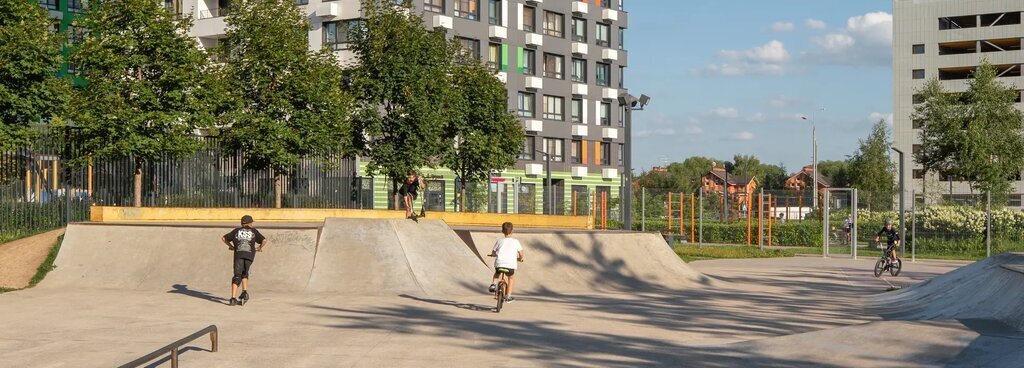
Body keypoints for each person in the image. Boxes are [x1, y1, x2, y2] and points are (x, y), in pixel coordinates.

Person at [222, 215, 268, 306]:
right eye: (252, 223)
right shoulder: (254, 231)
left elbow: (223, 238)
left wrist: (231, 246)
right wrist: (259, 248)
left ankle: (233, 298)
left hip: (238, 255)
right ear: (250, 223)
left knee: (237, 275)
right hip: (249, 256)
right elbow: (265, 240)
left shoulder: (236, 231)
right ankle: (244, 292)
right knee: (245, 272)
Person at [488, 222, 524, 303]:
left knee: (497, 273)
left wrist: (493, 255)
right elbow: (521, 253)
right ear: (512, 231)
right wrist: (520, 258)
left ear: (502, 231)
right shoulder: (516, 241)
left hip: (499, 263)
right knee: (511, 278)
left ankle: (493, 284)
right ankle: (508, 296)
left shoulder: (499, 241)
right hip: (510, 265)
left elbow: (494, 252)